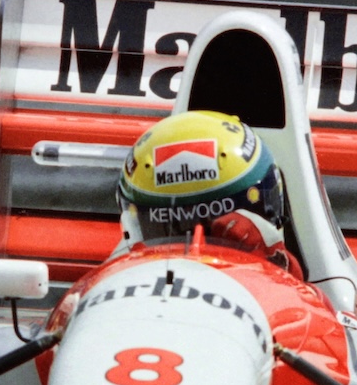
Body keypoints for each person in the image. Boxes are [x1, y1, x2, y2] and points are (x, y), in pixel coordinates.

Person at [115, 110, 295, 273]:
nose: (195, 250)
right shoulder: (115, 274)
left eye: (216, 232)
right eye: (173, 231)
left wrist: (274, 259)